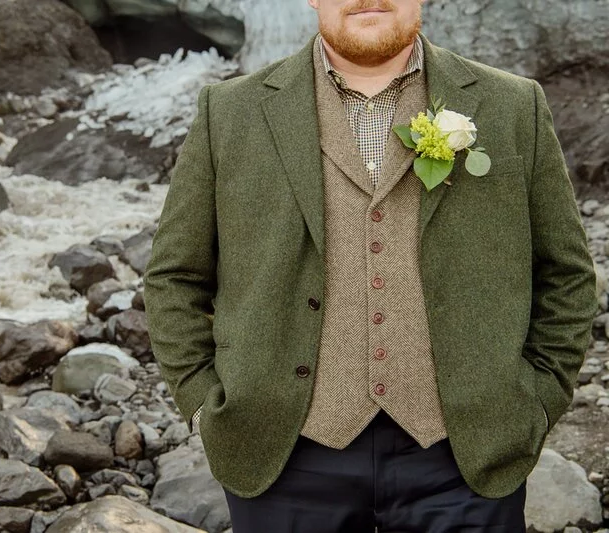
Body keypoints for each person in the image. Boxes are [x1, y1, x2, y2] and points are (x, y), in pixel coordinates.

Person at [142, 0, 598, 530]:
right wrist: (203, 404)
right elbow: (174, 276)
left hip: (467, 458)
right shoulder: (228, 111)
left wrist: (538, 401)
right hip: (283, 458)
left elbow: (566, 272)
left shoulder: (512, 105)